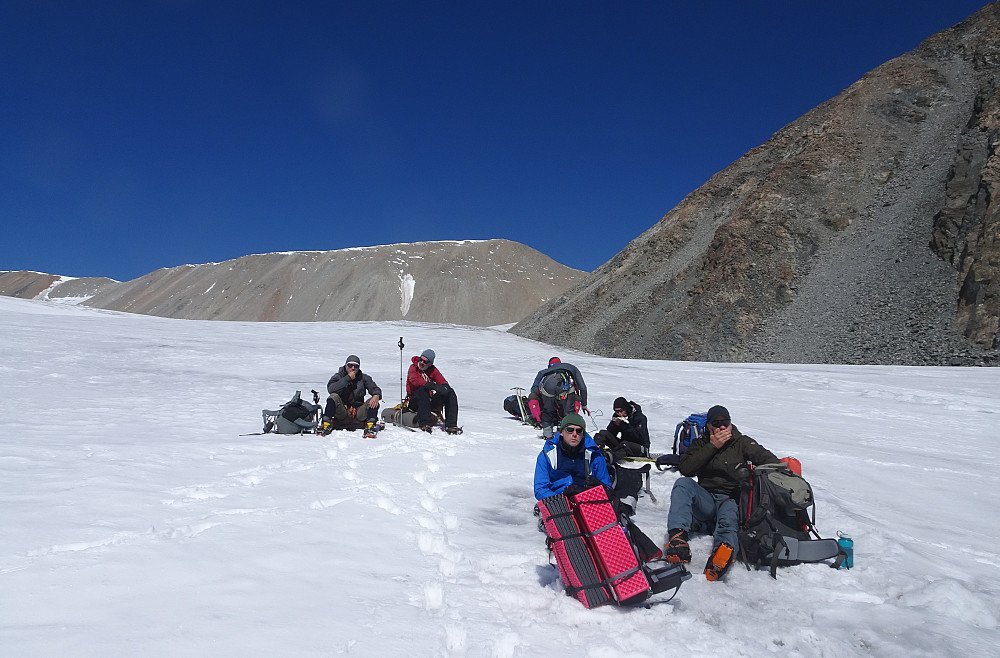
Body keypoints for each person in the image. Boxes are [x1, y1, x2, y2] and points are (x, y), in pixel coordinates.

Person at [664, 405, 779, 580]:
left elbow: (769, 459)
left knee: (728, 522)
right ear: (709, 426)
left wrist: (752, 472)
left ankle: (722, 555)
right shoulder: (701, 443)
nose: (722, 427)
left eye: (726, 422)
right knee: (683, 484)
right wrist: (712, 446)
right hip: (706, 498)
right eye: (717, 424)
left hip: (730, 498)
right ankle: (678, 540)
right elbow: (686, 468)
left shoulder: (741, 442)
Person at [534, 413, 661, 562]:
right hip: (558, 502)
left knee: (614, 517)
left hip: (585, 499)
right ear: (561, 432)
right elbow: (540, 489)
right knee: (570, 530)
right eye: (570, 430)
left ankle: (639, 553)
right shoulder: (547, 454)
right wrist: (562, 498)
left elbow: (606, 485)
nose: (574, 434)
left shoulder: (593, 454)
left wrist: (593, 490)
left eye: (579, 431)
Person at [528, 357, 588, 439]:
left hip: (547, 387)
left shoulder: (544, 372)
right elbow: (583, 388)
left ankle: (547, 434)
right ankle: (567, 433)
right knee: (568, 413)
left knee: (547, 411)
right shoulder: (572, 368)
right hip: (566, 389)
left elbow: (534, 389)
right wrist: (584, 404)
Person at [323, 355, 382, 435]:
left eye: (356, 366)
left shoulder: (364, 378)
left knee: (373, 401)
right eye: (350, 365)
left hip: (358, 412)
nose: (353, 368)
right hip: (342, 411)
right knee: (333, 396)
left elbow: (375, 388)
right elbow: (331, 389)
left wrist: (376, 395)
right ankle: (326, 424)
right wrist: (347, 378)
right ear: (346, 365)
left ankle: (370, 425)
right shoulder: (338, 376)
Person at [406, 348, 461, 434]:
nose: (421, 363)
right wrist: (433, 386)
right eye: (421, 360)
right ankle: (425, 423)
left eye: (425, 362)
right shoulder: (413, 368)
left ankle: (451, 425)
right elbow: (415, 381)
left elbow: (442, 381)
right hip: (415, 401)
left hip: (428, 401)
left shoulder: (433, 370)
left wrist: (444, 387)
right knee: (422, 390)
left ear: (430, 364)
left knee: (450, 392)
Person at [594, 396, 650, 461]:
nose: (619, 414)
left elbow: (639, 438)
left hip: (640, 448)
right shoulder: (617, 415)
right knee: (603, 433)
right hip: (624, 445)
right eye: (616, 411)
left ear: (626, 408)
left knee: (625, 444)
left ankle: (609, 458)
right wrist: (614, 425)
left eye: (621, 411)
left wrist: (624, 426)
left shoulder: (639, 417)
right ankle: (596, 450)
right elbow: (610, 434)